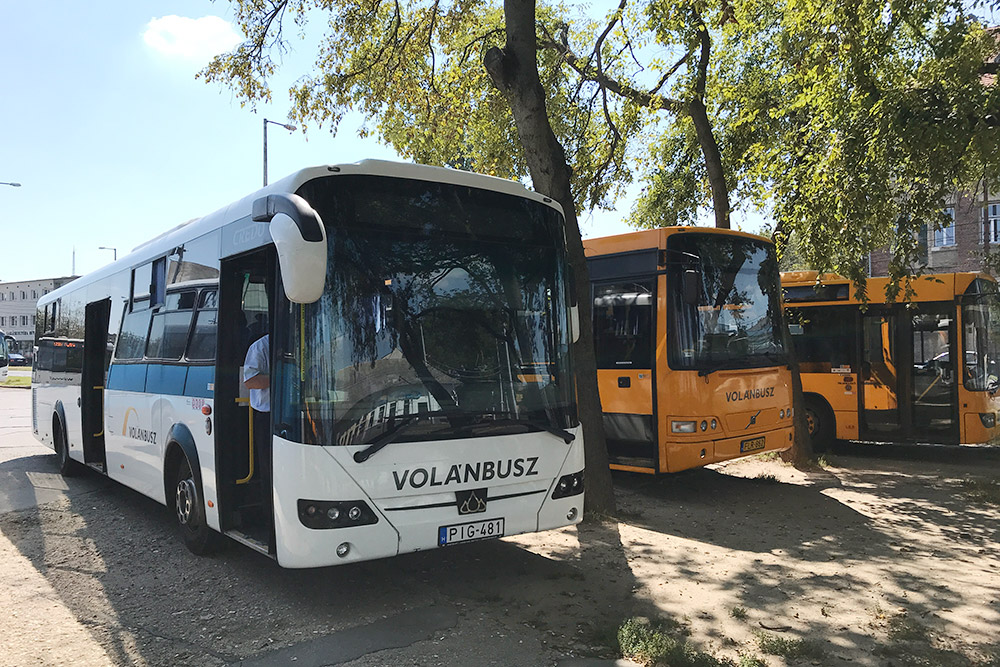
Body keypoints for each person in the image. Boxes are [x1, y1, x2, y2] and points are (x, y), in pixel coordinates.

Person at [243, 334, 271, 529]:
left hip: (296, 411)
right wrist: (281, 375)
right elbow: (250, 381)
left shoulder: (302, 340)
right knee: (268, 468)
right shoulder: (261, 346)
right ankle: (269, 515)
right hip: (267, 416)